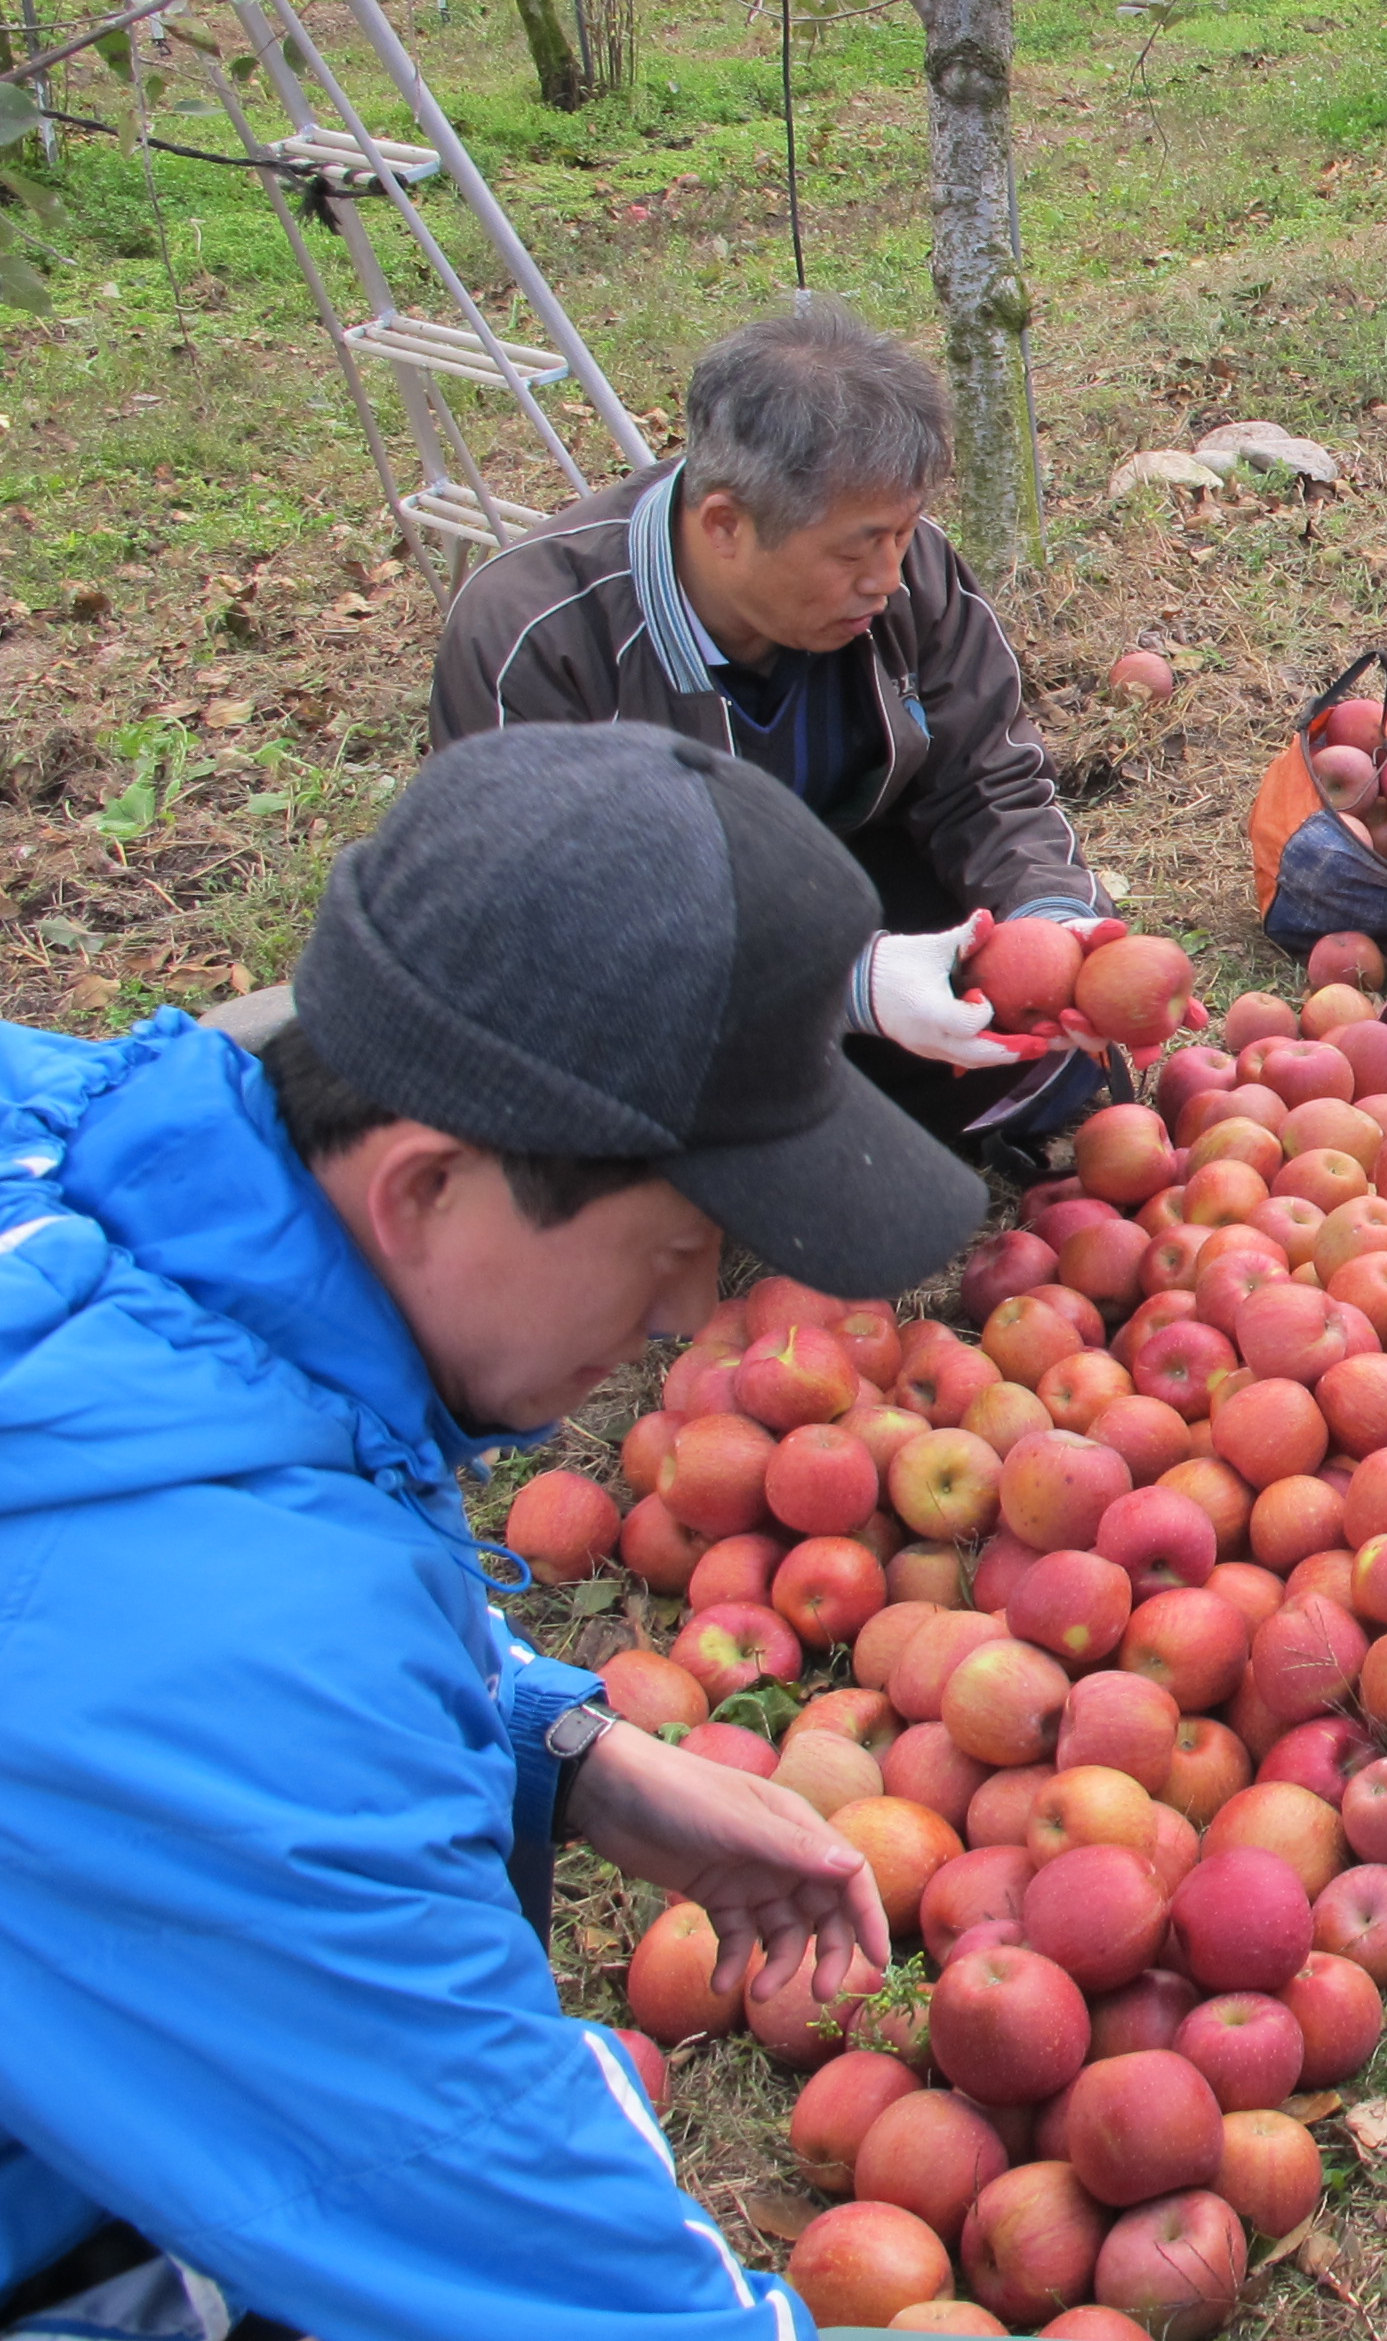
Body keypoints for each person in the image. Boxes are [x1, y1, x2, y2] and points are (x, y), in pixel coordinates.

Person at [0, 722, 984, 2341]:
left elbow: (169, 1518)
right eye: (672, 1249)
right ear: (422, 1190)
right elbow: (558, 2293)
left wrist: (556, 1744)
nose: (686, 1322)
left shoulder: (82, 1132)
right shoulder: (259, 1687)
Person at [432, 295, 1102, 1153]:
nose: (889, 579)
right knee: (619, 1116)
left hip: (837, 880)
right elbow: (545, 924)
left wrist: (1052, 921)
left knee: (1025, 1043)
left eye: (902, 534)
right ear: (724, 525)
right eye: (856, 549)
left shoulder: (909, 571)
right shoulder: (541, 638)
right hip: (654, 942)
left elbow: (988, 782)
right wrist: (841, 983)